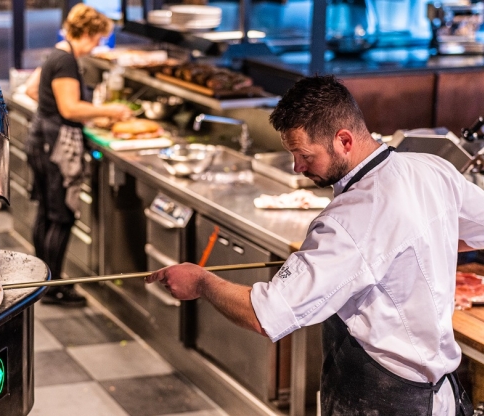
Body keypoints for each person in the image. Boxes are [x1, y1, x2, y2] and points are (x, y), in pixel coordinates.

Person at [146, 75, 484, 415]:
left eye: (304, 154)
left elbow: (264, 315)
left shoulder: (347, 221)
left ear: (344, 140)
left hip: (387, 402)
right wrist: (402, 248)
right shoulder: (431, 170)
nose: (297, 166)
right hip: (437, 397)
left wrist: (202, 281)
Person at [25, 4, 132, 306]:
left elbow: (35, 89)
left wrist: (80, 114)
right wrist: (109, 110)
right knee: (62, 216)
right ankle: (55, 287)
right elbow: (69, 108)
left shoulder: (57, 54)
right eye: (98, 39)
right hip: (57, 147)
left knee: (47, 212)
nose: (98, 45)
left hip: (43, 140)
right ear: (86, 33)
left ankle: (42, 279)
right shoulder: (66, 61)